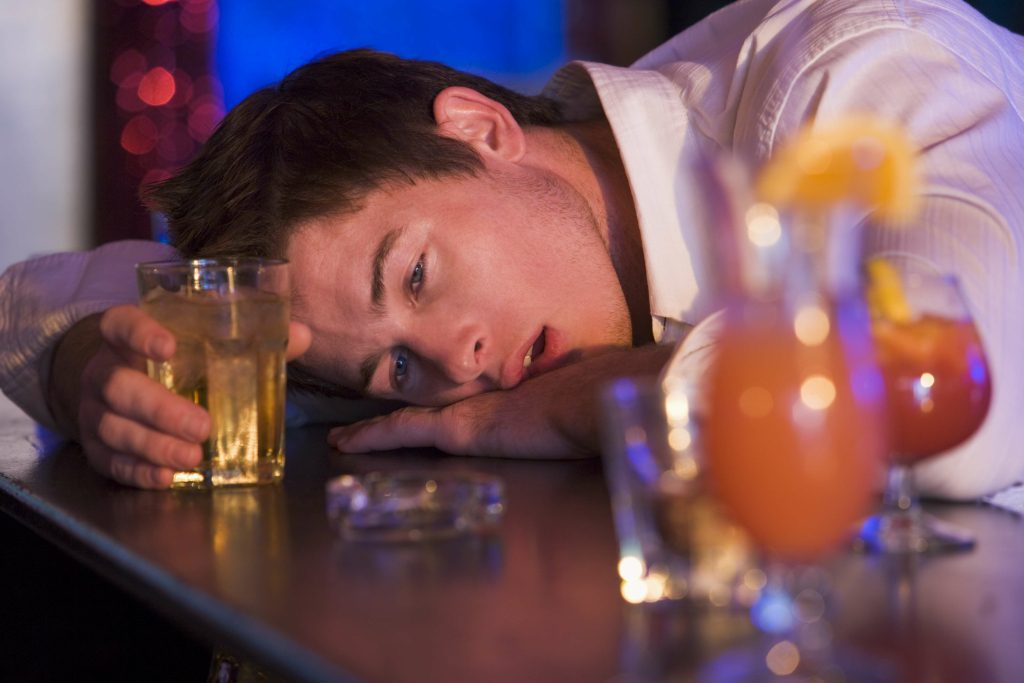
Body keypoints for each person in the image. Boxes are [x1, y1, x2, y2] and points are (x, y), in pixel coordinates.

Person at [1, 0, 1022, 496]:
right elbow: (22, 298)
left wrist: (626, 398)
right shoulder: (448, 341)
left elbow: (958, 394)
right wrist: (88, 361)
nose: (457, 361)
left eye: (416, 274)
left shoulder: (846, 72)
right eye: (395, 371)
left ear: (480, 130)